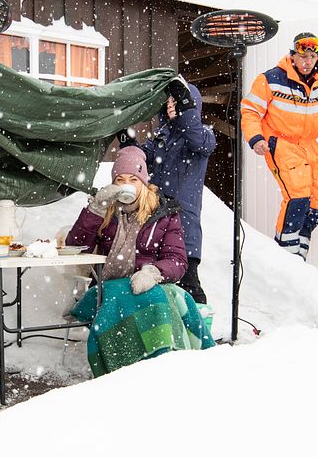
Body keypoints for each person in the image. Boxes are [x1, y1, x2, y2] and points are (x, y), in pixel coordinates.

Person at [66, 146, 214, 376]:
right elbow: (75, 245)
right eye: (120, 179)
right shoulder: (105, 208)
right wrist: (96, 208)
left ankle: (170, 363)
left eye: (133, 179)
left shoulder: (164, 212)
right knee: (143, 297)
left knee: (172, 296)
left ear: (144, 183)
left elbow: (177, 259)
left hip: (149, 282)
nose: (127, 184)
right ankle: (140, 365)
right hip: (108, 285)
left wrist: (153, 272)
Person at [240, 32, 318, 259]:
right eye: (303, 56)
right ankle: (284, 259)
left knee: (314, 205)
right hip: (281, 143)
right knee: (297, 196)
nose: (307, 61)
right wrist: (256, 138)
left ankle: (299, 259)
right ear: (293, 56)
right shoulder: (271, 79)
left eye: (312, 56)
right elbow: (250, 111)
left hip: (311, 146)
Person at [119, 77, 216, 304]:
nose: (172, 106)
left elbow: (194, 135)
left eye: (178, 102)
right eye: (169, 102)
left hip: (184, 223)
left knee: (189, 284)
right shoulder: (161, 138)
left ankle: (200, 330)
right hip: (158, 223)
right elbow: (141, 160)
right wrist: (127, 141)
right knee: (161, 285)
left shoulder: (203, 135)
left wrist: (186, 108)